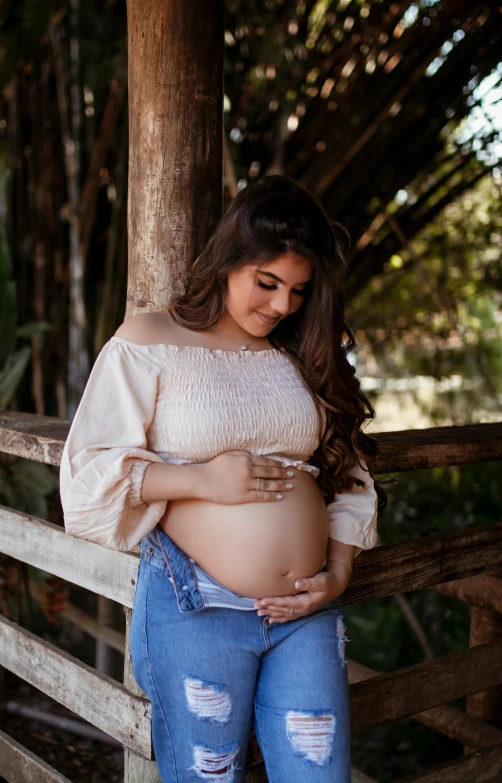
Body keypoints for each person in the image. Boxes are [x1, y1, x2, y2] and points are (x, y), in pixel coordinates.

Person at [59, 175, 387, 782]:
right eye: (267, 284)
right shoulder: (148, 341)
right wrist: (203, 481)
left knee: (321, 776)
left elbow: (347, 471)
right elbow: (89, 475)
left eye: (298, 290)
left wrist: (337, 574)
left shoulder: (299, 353)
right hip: (196, 607)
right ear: (228, 260)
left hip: (305, 610)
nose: (284, 305)